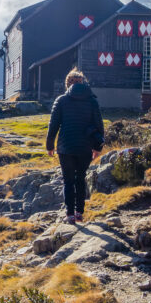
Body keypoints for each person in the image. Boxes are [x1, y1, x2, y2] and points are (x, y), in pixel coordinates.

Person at [45, 69, 104, 223]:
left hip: (65, 147)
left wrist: (49, 146)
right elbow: (99, 125)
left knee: (68, 181)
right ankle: (79, 212)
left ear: (67, 84)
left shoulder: (61, 100)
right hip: (85, 146)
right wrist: (97, 147)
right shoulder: (92, 101)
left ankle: (70, 214)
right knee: (80, 179)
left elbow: (53, 126)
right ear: (82, 83)